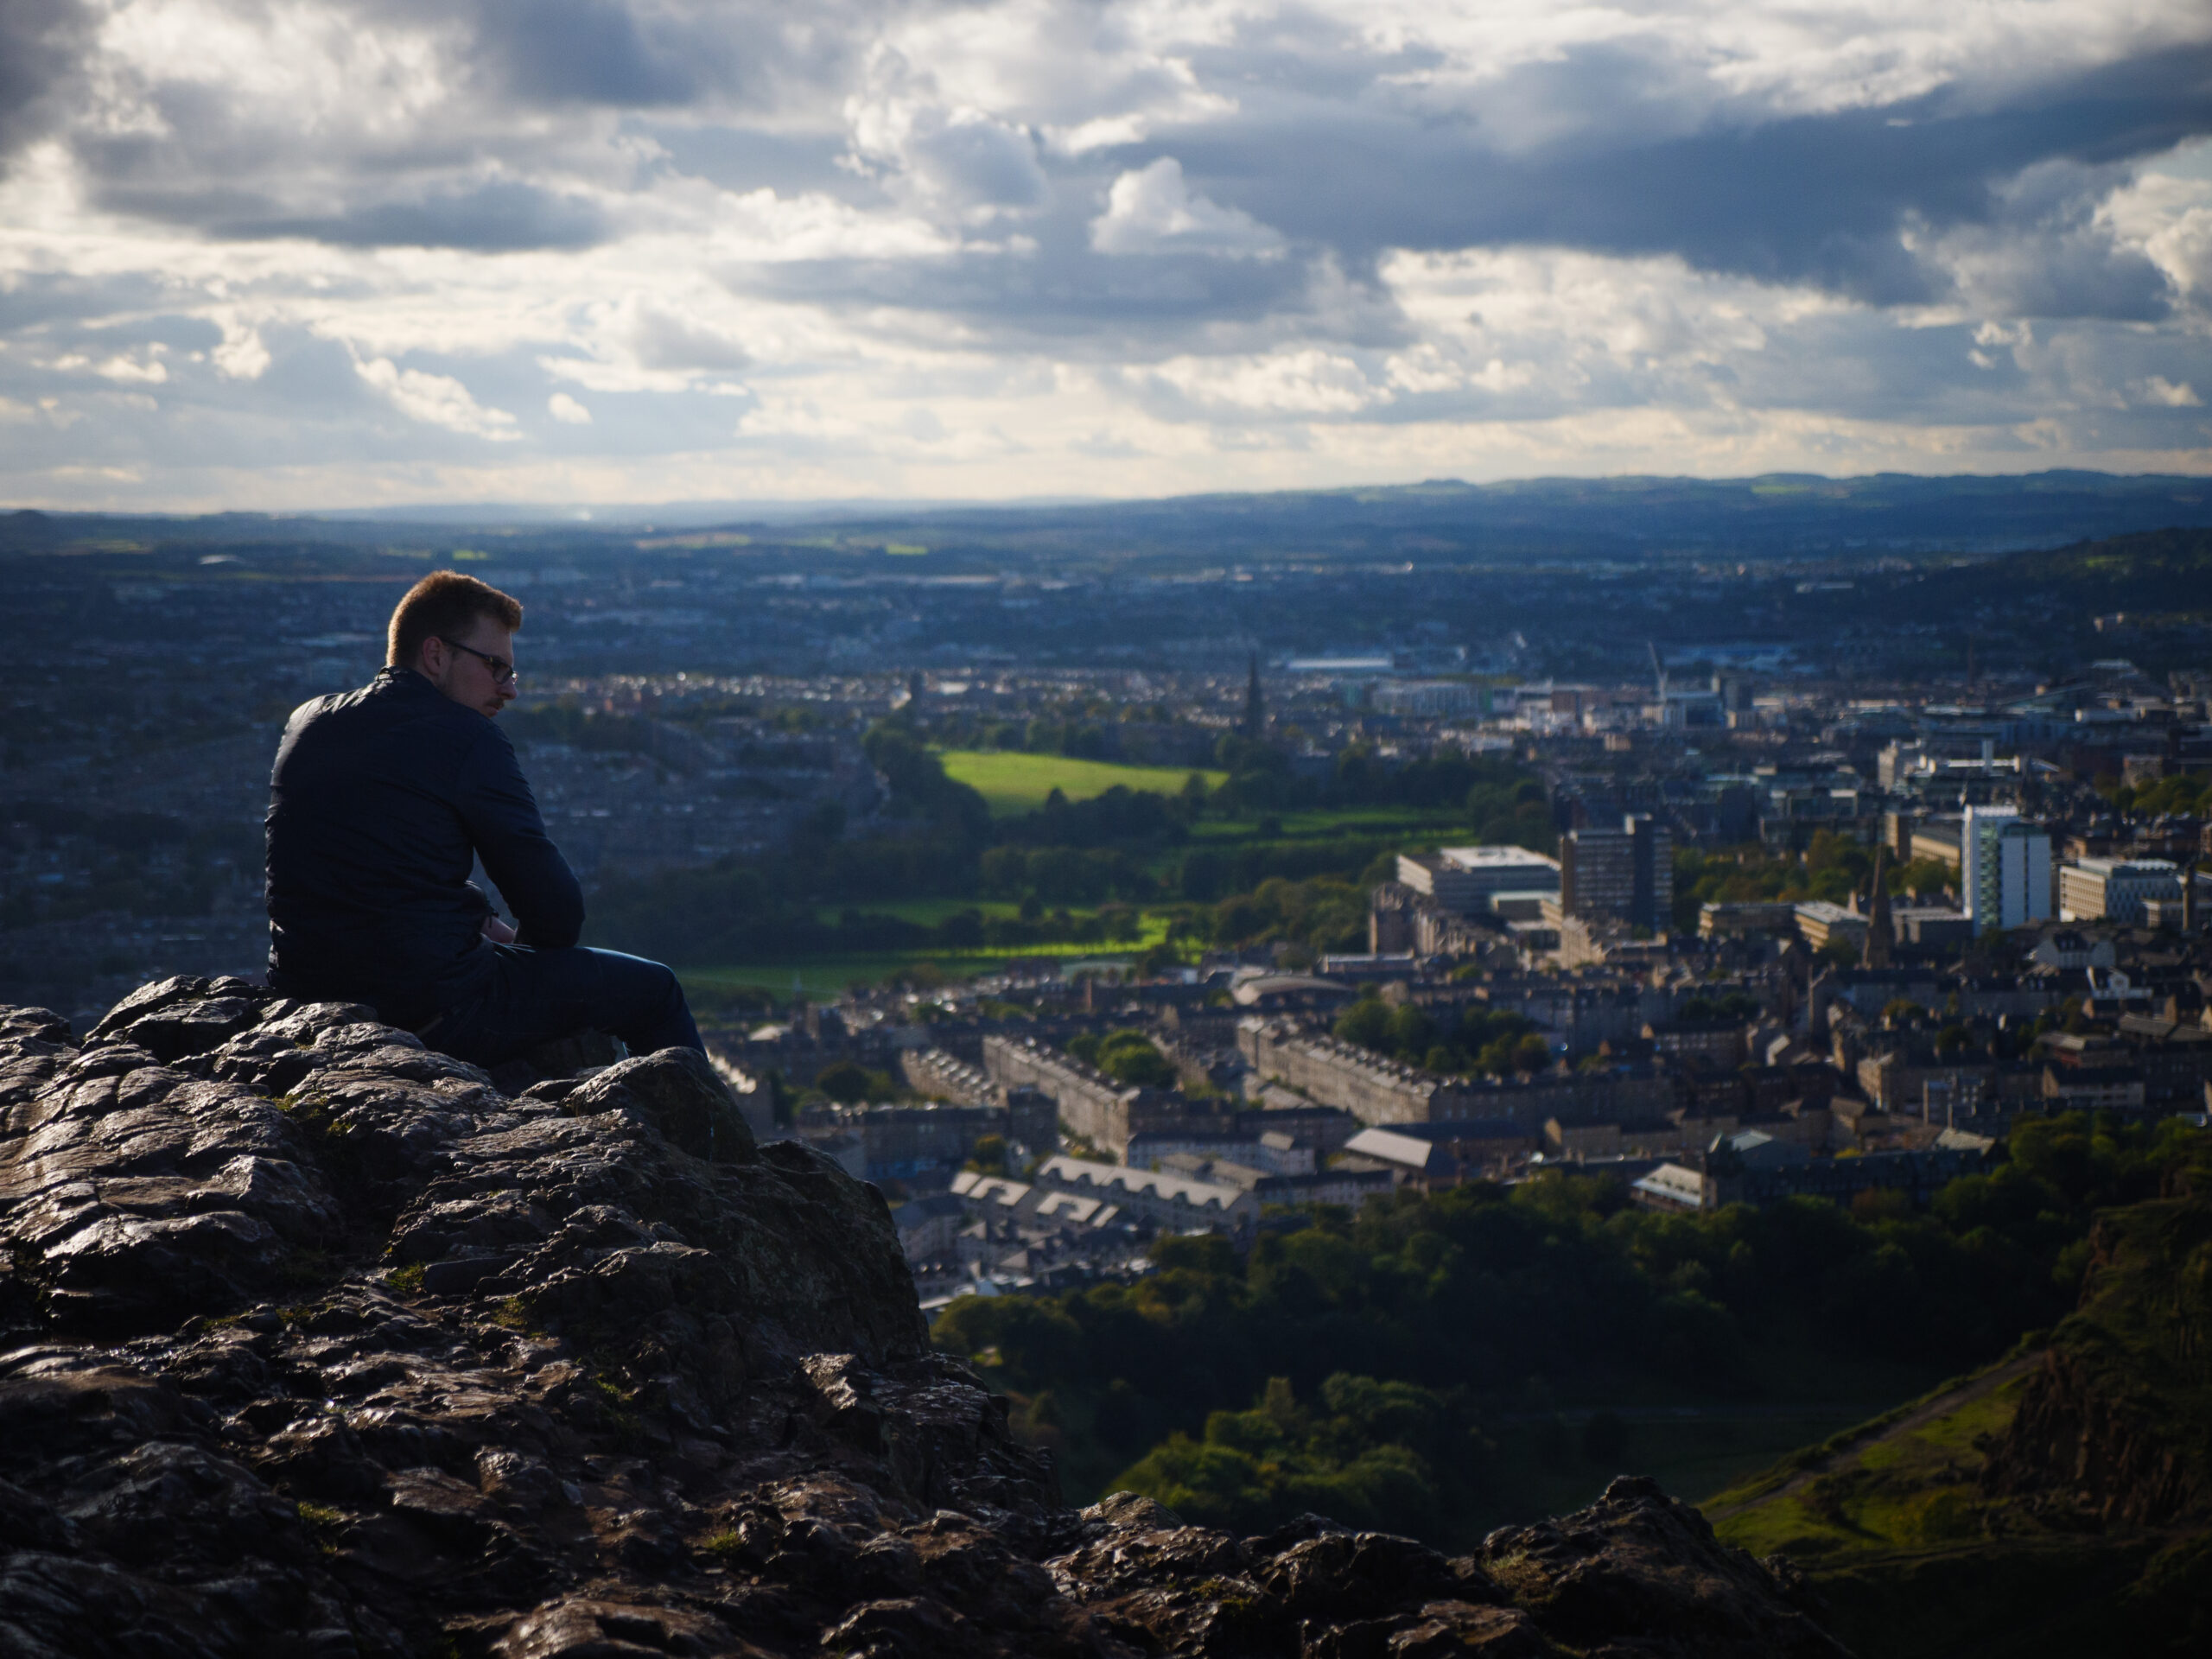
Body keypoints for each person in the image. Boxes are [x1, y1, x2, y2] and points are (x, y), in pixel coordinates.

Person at [264, 569, 702, 1069]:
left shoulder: (309, 721)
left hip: (302, 1002)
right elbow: (556, 912)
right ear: (436, 655)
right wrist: (518, 966)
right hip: (427, 1011)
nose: (509, 690)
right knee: (657, 989)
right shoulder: (468, 737)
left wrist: (472, 920)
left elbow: (365, 873)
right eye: (496, 667)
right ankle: (710, 1145)